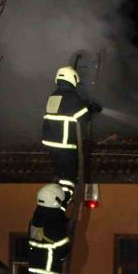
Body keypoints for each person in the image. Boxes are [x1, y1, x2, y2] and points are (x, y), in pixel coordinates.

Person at [41, 65, 101, 206]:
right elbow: (82, 117)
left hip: (51, 142)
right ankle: (63, 201)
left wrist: (85, 105)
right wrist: (91, 108)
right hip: (65, 144)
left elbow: (68, 110)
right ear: (72, 79)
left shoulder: (54, 96)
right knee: (69, 176)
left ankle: (58, 190)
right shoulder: (73, 98)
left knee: (61, 171)